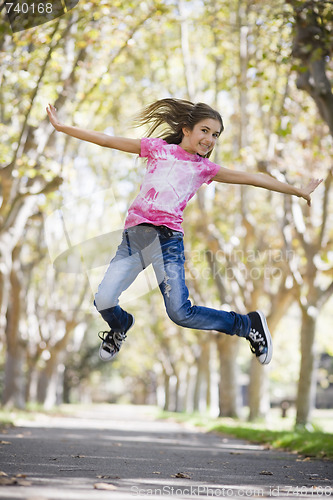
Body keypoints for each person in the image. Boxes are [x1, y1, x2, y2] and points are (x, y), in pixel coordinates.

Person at [46, 98, 322, 365]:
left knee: (179, 312)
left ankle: (247, 324)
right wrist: (63, 127)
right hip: (135, 238)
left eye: (215, 134)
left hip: (167, 242)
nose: (210, 139)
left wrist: (297, 191)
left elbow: (254, 179)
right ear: (186, 130)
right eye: (205, 131)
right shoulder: (156, 149)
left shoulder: (204, 168)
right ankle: (120, 326)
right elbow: (106, 140)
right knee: (104, 299)